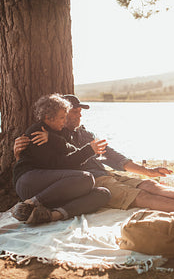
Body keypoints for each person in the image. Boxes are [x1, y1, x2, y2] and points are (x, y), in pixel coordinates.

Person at [14, 94, 174, 219]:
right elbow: (55, 161)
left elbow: (114, 157)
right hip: (94, 180)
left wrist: (149, 171)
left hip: (105, 173)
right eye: (73, 111)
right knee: (136, 195)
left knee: (148, 183)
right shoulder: (54, 134)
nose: (78, 114)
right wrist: (18, 152)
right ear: (61, 113)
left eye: (80, 111)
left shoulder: (86, 133)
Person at [12, 93, 111, 225]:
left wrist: (53, 139)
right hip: (29, 182)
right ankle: (29, 205)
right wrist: (89, 150)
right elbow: (58, 165)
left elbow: (71, 151)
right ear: (48, 117)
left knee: (103, 194)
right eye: (61, 118)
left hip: (55, 188)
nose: (65, 121)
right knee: (86, 178)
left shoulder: (60, 133)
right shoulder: (37, 132)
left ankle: (51, 215)